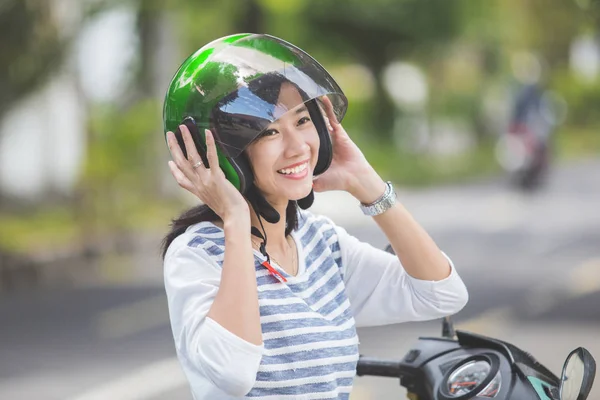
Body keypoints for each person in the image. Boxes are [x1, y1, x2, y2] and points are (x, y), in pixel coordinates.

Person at [161, 33, 469, 399]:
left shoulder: (321, 243)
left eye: (303, 121)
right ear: (228, 156)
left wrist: (366, 183)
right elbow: (234, 373)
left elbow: (442, 294)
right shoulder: (196, 253)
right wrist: (235, 220)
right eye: (269, 131)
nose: (297, 147)